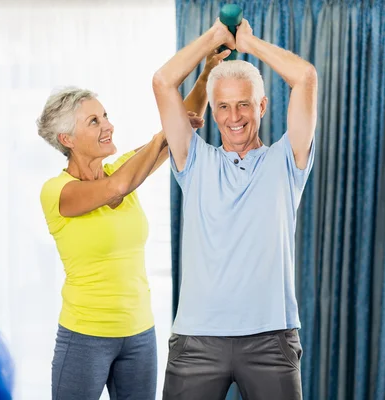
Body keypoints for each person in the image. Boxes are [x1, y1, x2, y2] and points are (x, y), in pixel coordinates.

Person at [37, 51, 228, 400]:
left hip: (139, 333)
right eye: (94, 121)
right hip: (85, 336)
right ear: (67, 139)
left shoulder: (122, 170)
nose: (108, 125)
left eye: (105, 115)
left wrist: (206, 76)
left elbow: (179, 133)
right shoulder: (57, 191)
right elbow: (115, 190)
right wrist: (159, 137)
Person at [152, 16, 318, 400]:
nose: (234, 117)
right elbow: (162, 82)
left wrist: (249, 43)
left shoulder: (286, 161)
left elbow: (305, 77)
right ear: (212, 108)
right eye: (223, 106)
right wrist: (213, 37)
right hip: (196, 342)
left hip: (270, 340)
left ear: (261, 104)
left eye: (244, 104)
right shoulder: (194, 161)